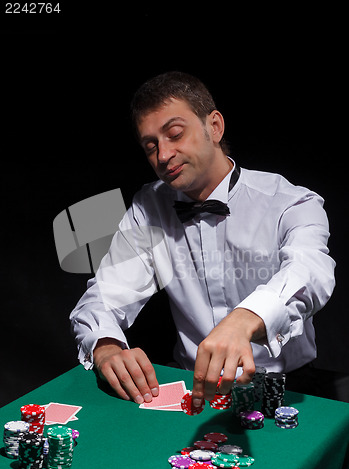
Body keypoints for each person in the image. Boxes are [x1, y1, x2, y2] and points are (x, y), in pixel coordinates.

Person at [70, 71, 335, 409]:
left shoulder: (291, 202)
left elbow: (312, 272)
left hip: (287, 390)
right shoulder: (148, 208)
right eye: (151, 147)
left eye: (175, 134)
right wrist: (105, 344)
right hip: (191, 392)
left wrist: (246, 318)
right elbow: (104, 297)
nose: (163, 156)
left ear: (214, 127)